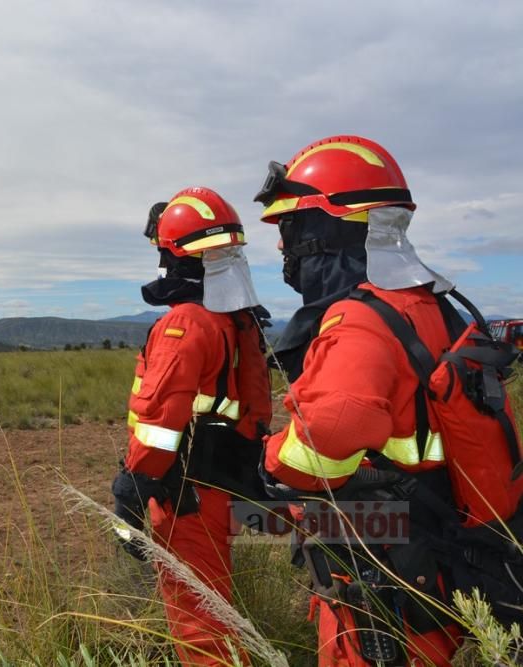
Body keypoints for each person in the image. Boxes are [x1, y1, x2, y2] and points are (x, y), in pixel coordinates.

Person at [254, 135, 470, 666]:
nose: (283, 247)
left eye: (291, 227)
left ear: (326, 228)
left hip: (383, 576)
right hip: (441, 558)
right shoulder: (435, 309)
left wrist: (273, 456)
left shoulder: (360, 321)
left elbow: (329, 436)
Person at [112, 188, 272, 665]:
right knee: (214, 610)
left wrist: (132, 487)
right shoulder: (236, 321)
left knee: (198, 623)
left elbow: (160, 420)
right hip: (224, 483)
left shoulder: (185, 324)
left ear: (175, 255)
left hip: (184, 491)